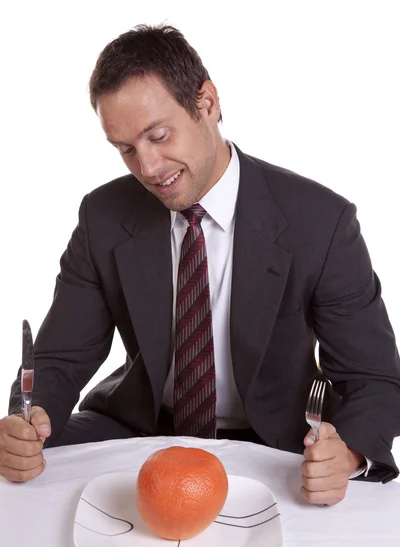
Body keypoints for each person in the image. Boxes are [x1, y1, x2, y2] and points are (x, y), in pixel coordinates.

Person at [2, 24, 400, 505]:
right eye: (126, 149)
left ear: (207, 103)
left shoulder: (321, 221)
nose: (147, 168)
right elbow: (61, 359)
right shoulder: (103, 215)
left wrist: (351, 452)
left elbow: (374, 378)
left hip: (275, 439)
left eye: (159, 135)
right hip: (139, 427)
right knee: (27, 491)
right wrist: (29, 421)